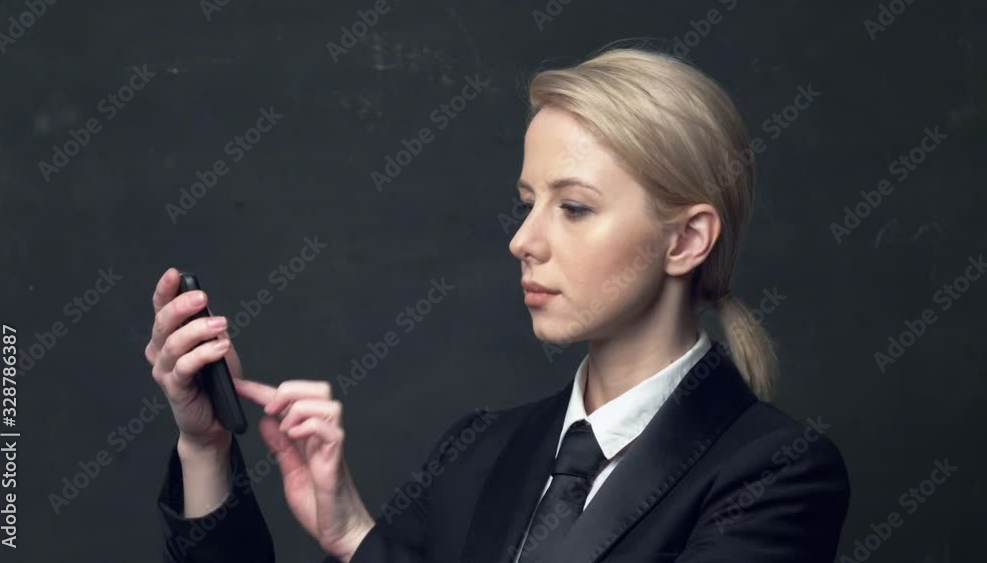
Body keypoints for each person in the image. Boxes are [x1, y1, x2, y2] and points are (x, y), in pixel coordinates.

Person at [148, 44, 850, 563]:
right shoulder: (480, 448)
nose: (523, 240)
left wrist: (366, 542)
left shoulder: (774, 474)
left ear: (687, 238)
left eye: (574, 207)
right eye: (526, 203)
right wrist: (207, 448)